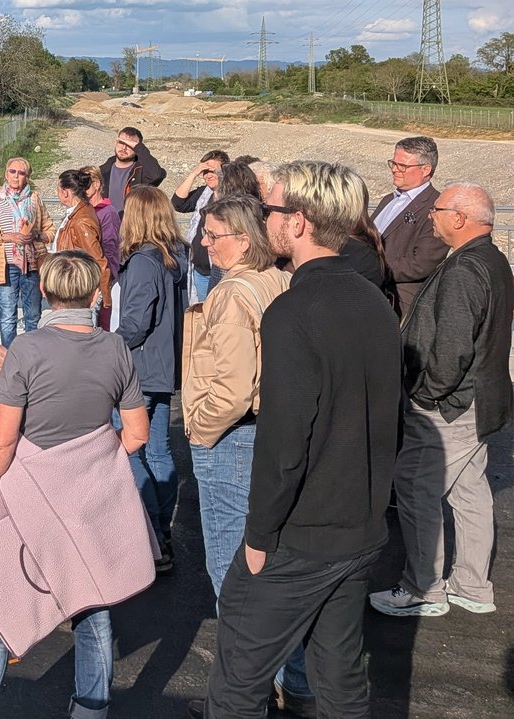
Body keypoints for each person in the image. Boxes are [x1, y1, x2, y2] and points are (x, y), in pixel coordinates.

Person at [188, 161, 401, 719]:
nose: (266, 219)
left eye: (272, 209)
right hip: (362, 525)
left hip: (301, 535)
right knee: (340, 675)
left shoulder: (293, 310)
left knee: (237, 680)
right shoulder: (374, 301)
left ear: (299, 222)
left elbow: (286, 441)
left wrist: (259, 535)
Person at [0, 250, 150, 719]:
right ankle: (90, 708)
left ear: (43, 291)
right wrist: (94, 463)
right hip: (90, 500)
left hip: (32, 490)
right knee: (93, 602)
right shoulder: (115, 348)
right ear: (94, 293)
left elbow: (2, 438)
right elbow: (137, 433)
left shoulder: (28, 349)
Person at [181, 194, 313, 716]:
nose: (205, 244)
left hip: (232, 437)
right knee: (269, 566)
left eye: (213, 235)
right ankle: (293, 682)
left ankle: (244, 694)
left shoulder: (233, 293)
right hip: (266, 432)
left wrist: (199, 428)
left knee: (232, 575)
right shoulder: (276, 280)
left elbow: (233, 387)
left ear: (242, 238)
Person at [369, 182, 513, 618]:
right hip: (480, 398)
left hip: (452, 404)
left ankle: (423, 588)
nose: (431, 216)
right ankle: (472, 584)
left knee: (414, 484)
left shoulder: (467, 269)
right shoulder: (493, 259)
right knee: (469, 490)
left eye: (438, 210)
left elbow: (453, 350)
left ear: (460, 218)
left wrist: (427, 397)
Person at [114, 185, 187, 573]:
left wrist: (107, 347)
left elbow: (137, 323)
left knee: (127, 450)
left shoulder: (143, 262)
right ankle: (163, 536)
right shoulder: (175, 257)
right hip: (162, 367)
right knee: (158, 451)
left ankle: (153, 534)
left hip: (138, 369)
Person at [0, 157, 55, 347]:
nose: (16, 176)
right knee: (7, 317)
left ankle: (32, 359)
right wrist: (6, 237)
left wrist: (36, 235)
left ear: (27, 177)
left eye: (21, 173)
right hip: (5, 267)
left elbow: (50, 230)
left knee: (33, 316)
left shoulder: (34, 199)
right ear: (6, 173)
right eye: (12, 171)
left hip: (32, 265)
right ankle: (9, 359)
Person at [371, 136, 444, 316]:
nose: (395, 170)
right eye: (393, 163)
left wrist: (375, 269)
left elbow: (422, 263)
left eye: (402, 166)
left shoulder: (436, 206)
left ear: (426, 169)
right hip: (371, 291)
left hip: (399, 302)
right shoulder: (389, 199)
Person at [52, 169, 110, 327]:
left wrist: (104, 298)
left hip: (78, 292)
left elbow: (98, 259)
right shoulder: (76, 214)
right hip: (71, 289)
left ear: (65, 193)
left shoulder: (81, 220)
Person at [172, 150, 229, 302]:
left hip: (220, 269)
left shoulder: (231, 196)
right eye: (205, 172)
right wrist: (194, 173)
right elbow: (178, 203)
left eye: (212, 171)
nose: (208, 175)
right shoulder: (203, 194)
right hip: (199, 270)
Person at [82, 165, 122, 329]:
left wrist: (107, 281)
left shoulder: (108, 212)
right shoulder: (84, 210)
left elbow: (111, 249)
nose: (82, 189)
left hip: (101, 277)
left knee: (101, 323)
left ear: (97, 184)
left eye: (86, 184)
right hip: (85, 276)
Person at [99, 127, 167, 217]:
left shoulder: (141, 172)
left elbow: (156, 174)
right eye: (121, 142)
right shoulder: (103, 171)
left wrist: (139, 148)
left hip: (131, 226)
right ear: (115, 143)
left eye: (130, 145)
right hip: (107, 225)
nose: (124, 148)